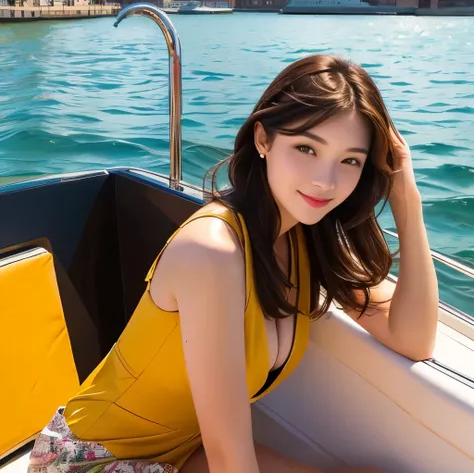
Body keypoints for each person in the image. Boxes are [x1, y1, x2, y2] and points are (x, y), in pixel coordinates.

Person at [28, 55, 439, 473]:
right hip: (90, 461)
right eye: (306, 148)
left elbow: (413, 338)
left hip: (181, 452)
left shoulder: (304, 237)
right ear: (263, 139)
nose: (326, 181)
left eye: (350, 160)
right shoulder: (212, 250)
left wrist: (408, 201)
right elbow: (230, 461)